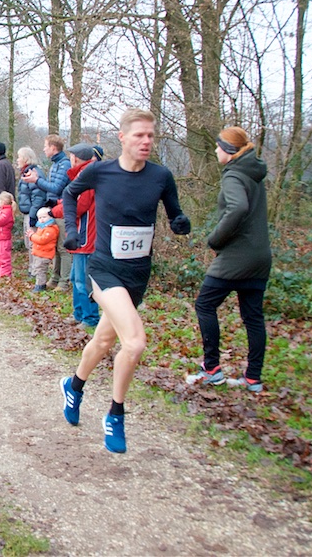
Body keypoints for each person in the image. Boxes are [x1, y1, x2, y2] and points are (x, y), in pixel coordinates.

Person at [59, 109, 191, 454]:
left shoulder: (161, 176)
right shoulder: (100, 171)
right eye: (139, 135)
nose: (146, 141)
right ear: (122, 137)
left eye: (151, 135)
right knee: (134, 343)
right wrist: (72, 230)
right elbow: (69, 195)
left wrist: (179, 222)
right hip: (104, 269)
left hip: (138, 274)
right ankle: (115, 414)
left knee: (104, 339)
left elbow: (174, 212)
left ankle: (74, 386)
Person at [187, 126, 271, 393]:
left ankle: (211, 369)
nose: (215, 150)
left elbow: (238, 208)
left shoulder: (234, 174)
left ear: (228, 150)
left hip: (236, 256)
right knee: (253, 316)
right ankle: (253, 378)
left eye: (218, 146)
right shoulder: (254, 172)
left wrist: (215, 239)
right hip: (260, 255)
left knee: (204, 304)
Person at [22, 134, 72, 290]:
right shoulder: (55, 164)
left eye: (45, 146)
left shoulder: (64, 164)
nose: (43, 149)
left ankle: (64, 282)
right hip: (53, 210)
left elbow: (56, 188)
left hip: (63, 210)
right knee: (56, 247)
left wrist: (37, 180)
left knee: (63, 248)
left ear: (53, 147)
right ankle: (55, 278)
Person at [66, 143, 101, 328]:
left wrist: (58, 210)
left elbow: (80, 206)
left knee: (83, 280)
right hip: (80, 233)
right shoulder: (83, 174)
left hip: (85, 235)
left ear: (75, 158)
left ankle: (90, 317)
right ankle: (78, 313)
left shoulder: (86, 176)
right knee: (75, 278)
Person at [16, 146, 48, 250]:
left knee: (33, 245)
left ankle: (35, 262)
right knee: (29, 244)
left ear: (26, 158)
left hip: (32, 214)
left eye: (19, 157)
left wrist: (33, 216)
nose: (17, 160)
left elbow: (38, 197)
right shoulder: (26, 172)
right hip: (28, 212)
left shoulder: (33, 173)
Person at [29, 206, 59, 292]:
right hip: (39, 252)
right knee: (38, 268)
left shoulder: (50, 229)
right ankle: (39, 283)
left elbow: (42, 240)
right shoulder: (41, 227)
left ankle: (40, 285)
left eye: (44, 217)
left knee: (41, 270)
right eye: (40, 218)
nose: (42, 219)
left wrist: (32, 236)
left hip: (45, 253)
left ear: (50, 217)